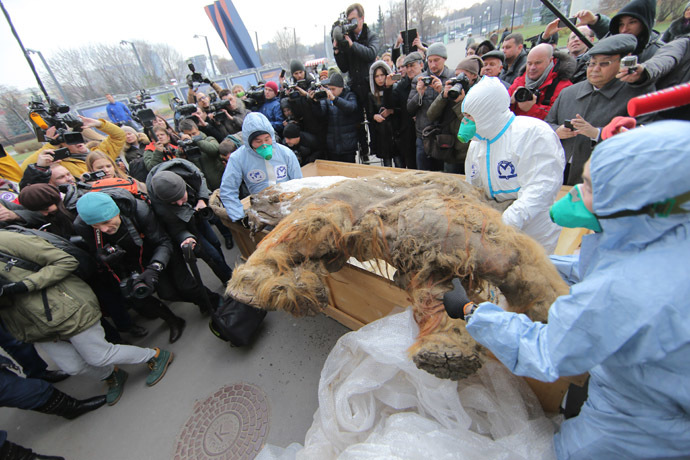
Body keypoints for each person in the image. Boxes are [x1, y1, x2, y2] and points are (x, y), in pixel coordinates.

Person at [443, 120, 690, 460]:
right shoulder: (668, 236)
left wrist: (472, 311)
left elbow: (548, 350)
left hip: (637, 432)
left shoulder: (624, 289)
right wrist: (519, 258)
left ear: (633, 198)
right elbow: (592, 265)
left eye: (587, 185)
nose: (575, 191)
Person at [0, 231, 174, 406]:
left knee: (98, 356)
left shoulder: (6, 240)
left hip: (65, 307)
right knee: (72, 366)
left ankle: (155, 356)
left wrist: (24, 285)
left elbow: (65, 261)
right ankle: (111, 374)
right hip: (31, 326)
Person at [461, 76, 565, 253]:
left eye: (470, 116)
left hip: (533, 231)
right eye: (465, 116)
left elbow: (540, 188)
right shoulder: (478, 143)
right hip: (496, 232)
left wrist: (506, 222)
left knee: (530, 276)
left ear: (487, 113)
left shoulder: (532, 134)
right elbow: (474, 187)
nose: (465, 122)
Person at [545, 35, 655, 185]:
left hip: (603, 177)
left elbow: (641, 138)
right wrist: (558, 131)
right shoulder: (569, 92)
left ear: (622, 63)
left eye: (604, 64)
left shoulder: (635, 96)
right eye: (592, 64)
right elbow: (547, 125)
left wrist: (597, 133)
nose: (595, 69)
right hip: (560, 171)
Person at [147, 163, 232, 284]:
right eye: (173, 202)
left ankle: (226, 271)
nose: (179, 204)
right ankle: (228, 279)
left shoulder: (188, 173)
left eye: (181, 198)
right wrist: (186, 237)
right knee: (212, 256)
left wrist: (202, 199)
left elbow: (201, 179)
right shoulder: (162, 207)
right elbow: (176, 229)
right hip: (187, 228)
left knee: (215, 242)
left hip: (197, 215)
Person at [219, 112, 302, 223]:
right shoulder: (238, 158)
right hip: (263, 213)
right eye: (258, 141)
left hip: (288, 207)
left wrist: (299, 207)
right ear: (249, 141)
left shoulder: (285, 153)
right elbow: (228, 190)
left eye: (267, 139)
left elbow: (299, 183)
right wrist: (239, 217)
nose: (264, 144)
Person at [333, 3, 380, 162]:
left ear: (362, 18)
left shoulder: (371, 35)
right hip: (354, 86)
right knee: (357, 121)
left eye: (353, 19)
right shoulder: (347, 37)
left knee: (374, 119)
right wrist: (337, 49)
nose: (351, 24)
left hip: (370, 86)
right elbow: (344, 67)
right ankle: (364, 149)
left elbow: (371, 54)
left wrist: (352, 45)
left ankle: (377, 148)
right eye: (349, 20)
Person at [21, 117, 126, 180]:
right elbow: (26, 168)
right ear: (62, 146)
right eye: (70, 140)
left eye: (78, 137)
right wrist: (52, 144)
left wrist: (99, 124)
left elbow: (120, 136)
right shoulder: (62, 164)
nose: (78, 142)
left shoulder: (100, 153)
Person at [427, 56, 483, 174]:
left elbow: (475, 126)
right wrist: (443, 96)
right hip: (450, 150)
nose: (460, 79)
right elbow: (431, 115)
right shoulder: (452, 88)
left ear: (474, 75)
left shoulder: (480, 92)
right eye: (457, 75)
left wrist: (460, 103)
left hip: (470, 152)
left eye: (464, 76)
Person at [407, 43, 454, 171]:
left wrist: (443, 92)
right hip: (424, 137)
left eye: (436, 60)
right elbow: (410, 108)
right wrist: (419, 94)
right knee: (423, 177)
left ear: (444, 59)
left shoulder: (452, 77)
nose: (433, 65)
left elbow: (457, 107)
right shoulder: (419, 79)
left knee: (444, 178)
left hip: (445, 136)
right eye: (430, 60)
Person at [575, 0, 663, 63]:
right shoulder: (615, 39)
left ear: (645, 23)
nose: (624, 29)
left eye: (632, 22)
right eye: (621, 24)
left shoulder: (660, 52)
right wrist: (594, 21)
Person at [508, 44, 574, 120]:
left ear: (550, 60)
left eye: (538, 63)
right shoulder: (520, 81)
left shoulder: (564, 87)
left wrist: (532, 109)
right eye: (529, 63)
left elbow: (559, 119)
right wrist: (510, 102)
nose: (532, 68)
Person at [312, 73, 361, 163]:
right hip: (333, 145)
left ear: (341, 87)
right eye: (329, 89)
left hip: (348, 145)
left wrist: (335, 99)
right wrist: (315, 103)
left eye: (333, 89)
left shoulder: (350, 95)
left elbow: (350, 108)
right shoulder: (327, 99)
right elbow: (320, 114)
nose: (331, 91)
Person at [368, 61, 401, 167]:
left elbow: (402, 109)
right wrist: (374, 116)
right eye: (377, 76)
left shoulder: (395, 89)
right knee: (387, 165)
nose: (380, 79)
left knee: (399, 163)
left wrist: (392, 111)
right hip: (382, 135)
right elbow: (369, 113)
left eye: (382, 75)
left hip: (395, 133)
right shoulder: (371, 95)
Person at [177, 118, 223, 191]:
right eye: (188, 135)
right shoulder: (185, 148)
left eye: (194, 133)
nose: (191, 136)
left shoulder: (208, 139)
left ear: (198, 129)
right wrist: (181, 154)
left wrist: (196, 141)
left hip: (221, 182)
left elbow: (215, 150)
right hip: (205, 188)